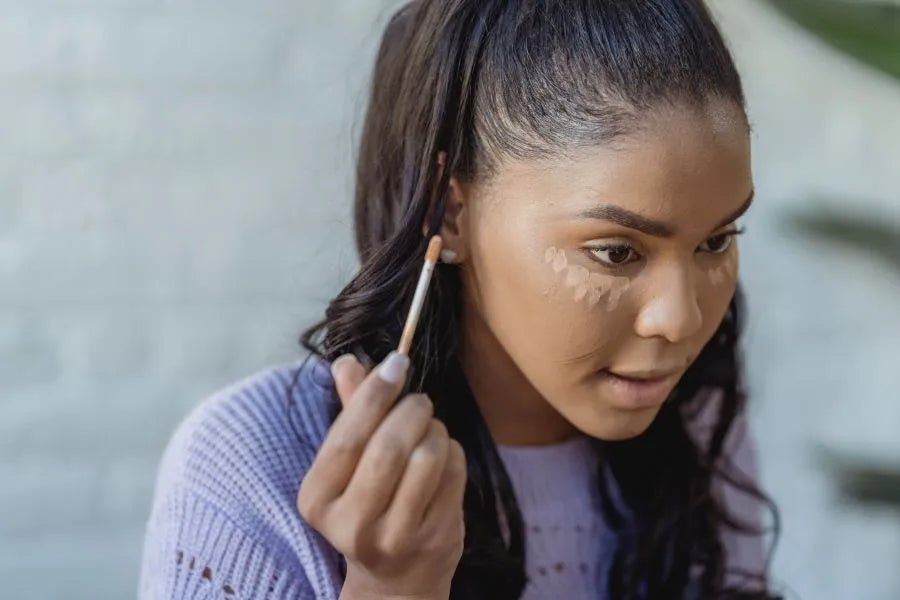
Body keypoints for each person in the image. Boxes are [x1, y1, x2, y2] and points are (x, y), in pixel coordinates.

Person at [139, 1, 783, 599]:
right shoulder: (252, 466)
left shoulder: (695, 427)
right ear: (450, 211)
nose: (683, 319)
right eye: (616, 252)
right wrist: (391, 587)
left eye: (717, 240)